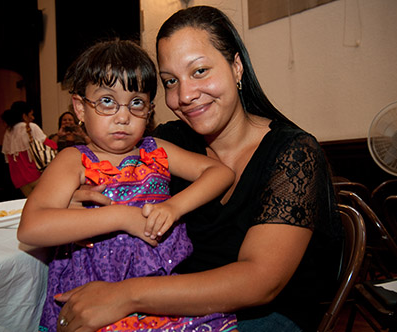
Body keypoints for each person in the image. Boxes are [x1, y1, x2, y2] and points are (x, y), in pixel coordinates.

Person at [55, 5, 344, 332]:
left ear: (236, 67)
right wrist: (78, 203)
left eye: (200, 71)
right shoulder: (166, 143)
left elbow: (260, 282)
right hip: (171, 311)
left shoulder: (293, 152)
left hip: (263, 318)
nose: (185, 95)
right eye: (170, 81)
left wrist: (126, 296)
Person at [17, 40, 236, 332]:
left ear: (149, 110)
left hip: (158, 292)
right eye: (107, 101)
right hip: (94, 294)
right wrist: (121, 217)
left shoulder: (156, 150)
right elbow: (31, 227)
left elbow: (220, 173)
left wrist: (174, 206)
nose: (123, 117)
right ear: (80, 107)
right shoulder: (74, 160)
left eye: (136, 103)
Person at [1, 101, 57, 197]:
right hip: (35, 174)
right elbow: (51, 146)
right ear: (24, 115)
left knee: (31, 203)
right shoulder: (31, 127)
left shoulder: (8, 132)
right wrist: (58, 136)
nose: (33, 118)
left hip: (19, 179)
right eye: (31, 114)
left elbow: (7, 159)